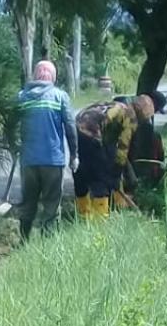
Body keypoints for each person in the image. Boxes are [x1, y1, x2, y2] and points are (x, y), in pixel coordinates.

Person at [14, 59, 77, 240]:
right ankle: (47, 243)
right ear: (53, 78)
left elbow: (10, 125)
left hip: (28, 161)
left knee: (28, 203)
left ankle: (24, 241)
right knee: (51, 204)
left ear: (35, 76)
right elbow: (70, 127)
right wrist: (74, 155)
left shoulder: (21, 97)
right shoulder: (60, 97)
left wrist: (13, 146)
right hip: (52, 161)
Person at [73, 93, 155, 219]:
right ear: (142, 114)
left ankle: (82, 215)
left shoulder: (117, 106)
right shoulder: (130, 116)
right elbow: (123, 147)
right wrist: (116, 173)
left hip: (76, 129)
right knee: (100, 179)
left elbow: (107, 138)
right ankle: (99, 221)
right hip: (92, 132)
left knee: (81, 173)